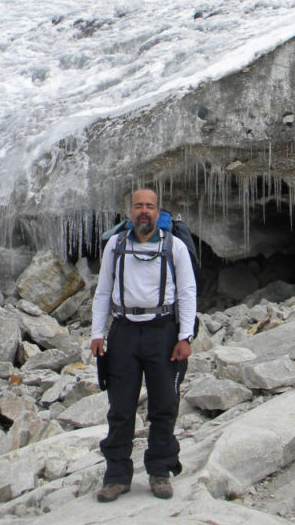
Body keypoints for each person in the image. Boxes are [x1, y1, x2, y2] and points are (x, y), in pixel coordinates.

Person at [90, 187, 196, 502]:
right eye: (138, 206)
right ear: (130, 211)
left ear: (157, 210)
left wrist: (185, 336)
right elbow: (103, 291)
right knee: (120, 407)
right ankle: (117, 475)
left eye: (149, 206)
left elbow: (188, 291)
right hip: (123, 330)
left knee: (164, 405)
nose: (144, 211)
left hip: (163, 331)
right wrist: (98, 333)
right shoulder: (115, 245)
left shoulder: (174, 246)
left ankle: (160, 470)